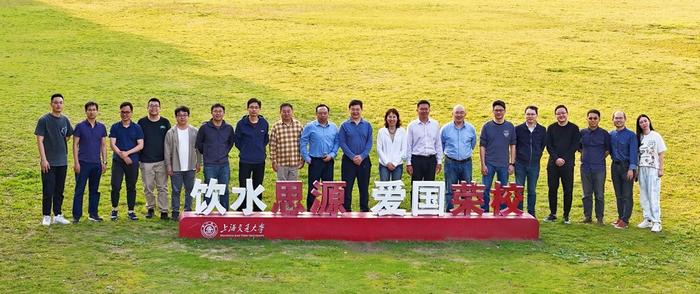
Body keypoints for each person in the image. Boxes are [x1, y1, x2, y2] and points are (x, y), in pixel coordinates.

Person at [35, 93, 74, 226]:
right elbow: (40, 140)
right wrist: (43, 159)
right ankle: (46, 215)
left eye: (61, 102)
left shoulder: (65, 120)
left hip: (62, 161)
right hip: (49, 162)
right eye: (56, 102)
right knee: (48, 189)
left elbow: (68, 135)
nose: (58, 105)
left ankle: (57, 214)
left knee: (59, 189)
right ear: (51, 104)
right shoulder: (44, 120)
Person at [71, 101, 107, 223]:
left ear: (97, 111)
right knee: (79, 190)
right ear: (86, 111)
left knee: (94, 190)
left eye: (94, 109)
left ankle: (93, 214)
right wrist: (76, 162)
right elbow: (75, 145)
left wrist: (104, 162)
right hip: (82, 163)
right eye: (89, 110)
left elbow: (103, 145)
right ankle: (76, 216)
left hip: (96, 164)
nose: (92, 112)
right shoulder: (80, 127)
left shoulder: (101, 127)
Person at [164, 106, 202, 221]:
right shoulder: (171, 132)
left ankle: (188, 210)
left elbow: (198, 149)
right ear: (176, 117)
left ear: (188, 116)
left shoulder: (194, 131)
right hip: (176, 166)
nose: (182, 117)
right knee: (176, 190)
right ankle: (175, 212)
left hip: (190, 166)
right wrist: (168, 166)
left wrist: (199, 163)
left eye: (184, 115)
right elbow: (167, 151)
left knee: (189, 190)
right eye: (180, 115)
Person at [196, 103, 235, 211]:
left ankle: (224, 212)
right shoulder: (204, 127)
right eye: (215, 111)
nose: (218, 113)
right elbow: (199, 144)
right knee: (209, 188)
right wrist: (208, 153)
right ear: (211, 112)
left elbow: (231, 142)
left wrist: (223, 152)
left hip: (224, 164)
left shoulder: (228, 128)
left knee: (224, 189)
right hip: (210, 164)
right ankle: (207, 211)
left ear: (224, 113)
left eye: (220, 111)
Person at [545, 105, 580, 224]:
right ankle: (553, 213)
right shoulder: (551, 128)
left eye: (563, 113)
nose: (561, 115)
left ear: (567, 113)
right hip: (553, 164)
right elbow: (548, 145)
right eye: (558, 113)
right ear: (555, 115)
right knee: (552, 189)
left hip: (568, 163)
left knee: (568, 190)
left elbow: (574, 146)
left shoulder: (574, 128)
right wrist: (556, 158)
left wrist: (564, 159)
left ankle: (566, 215)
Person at [300, 104, 339, 210]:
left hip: (328, 160)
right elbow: (303, 142)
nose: (322, 115)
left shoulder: (334, 127)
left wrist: (332, 155)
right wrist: (307, 158)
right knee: (313, 187)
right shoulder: (310, 126)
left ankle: (328, 209)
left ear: (328, 114)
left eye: (325, 113)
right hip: (314, 161)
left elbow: (337, 142)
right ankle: (311, 210)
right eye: (320, 113)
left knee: (328, 187)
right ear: (316, 114)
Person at [109, 102, 144, 221]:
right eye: (122, 112)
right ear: (120, 112)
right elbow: (112, 144)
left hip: (132, 162)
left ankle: (131, 211)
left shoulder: (137, 128)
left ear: (131, 113)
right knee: (115, 185)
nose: (125, 114)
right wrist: (123, 156)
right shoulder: (115, 127)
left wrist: (127, 153)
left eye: (127, 112)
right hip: (118, 161)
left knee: (131, 186)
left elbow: (140, 145)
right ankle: (114, 209)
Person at [479, 100, 516, 212]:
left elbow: (513, 145)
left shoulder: (510, 126)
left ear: (504, 111)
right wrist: (483, 164)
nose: (498, 112)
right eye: (496, 110)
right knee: (485, 189)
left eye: (500, 110)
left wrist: (512, 163)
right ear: (493, 111)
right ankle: (484, 212)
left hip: (504, 164)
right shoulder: (487, 126)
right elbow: (482, 146)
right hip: (489, 163)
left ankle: (502, 212)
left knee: (503, 190)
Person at [137, 98, 171, 220]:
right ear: (147, 108)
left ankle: (164, 210)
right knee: (148, 186)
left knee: (162, 187)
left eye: (156, 106)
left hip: (161, 161)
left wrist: (169, 161)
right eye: (151, 106)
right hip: (146, 160)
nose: (153, 108)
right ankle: (150, 208)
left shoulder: (165, 122)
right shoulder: (141, 122)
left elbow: (169, 142)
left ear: (160, 108)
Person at [235, 98, 269, 211]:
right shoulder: (241, 124)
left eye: (256, 107)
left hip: (259, 160)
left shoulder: (264, 123)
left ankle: (257, 207)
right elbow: (237, 141)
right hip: (245, 160)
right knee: (243, 184)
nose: (254, 110)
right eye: (251, 107)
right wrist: (245, 150)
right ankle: (242, 207)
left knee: (258, 185)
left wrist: (259, 149)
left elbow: (265, 140)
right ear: (247, 109)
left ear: (259, 109)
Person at [339, 99, 373, 212]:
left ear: (361, 110)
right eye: (353, 109)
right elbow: (342, 143)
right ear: (349, 110)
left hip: (364, 161)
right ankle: (346, 210)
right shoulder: (344, 125)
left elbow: (369, 143)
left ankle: (364, 209)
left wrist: (362, 156)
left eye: (357, 109)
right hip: (349, 161)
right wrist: (353, 157)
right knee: (347, 187)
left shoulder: (367, 125)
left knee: (364, 187)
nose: (355, 112)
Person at [440, 105, 477, 211]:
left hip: (466, 163)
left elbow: (472, 144)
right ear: (452, 114)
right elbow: (441, 144)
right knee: (449, 190)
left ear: (465, 114)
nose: (459, 115)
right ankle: (448, 212)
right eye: (457, 112)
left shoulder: (471, 128)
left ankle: (465, 212)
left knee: (466, 190)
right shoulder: (445, 129)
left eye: (461, 112)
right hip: (450, 162)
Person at [579, 109, 611, 224]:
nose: (592, 120)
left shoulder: (604, 134)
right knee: (586, 194)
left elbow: (608, 150)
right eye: (590, 118)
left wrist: (598, 158)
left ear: (599, 119)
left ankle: (600, 218)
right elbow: (579, 148)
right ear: (587, 119)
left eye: (595, 118)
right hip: (585, 167)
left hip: (599, 168)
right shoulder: (582, 132)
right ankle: (587, 216)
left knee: (599, 194)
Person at [636, 114, 666, 233]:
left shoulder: (656, 136)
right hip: (642, 168)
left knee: (653, 194)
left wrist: (661, 169)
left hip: (653, 168)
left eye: (645, 121)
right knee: (644, 194)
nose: (644, 123)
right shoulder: (639, 137)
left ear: (649, 122)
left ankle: (656, 221)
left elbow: (661, 153)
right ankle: (647, 218)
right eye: (641, 122)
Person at [514, 105, 546, 217]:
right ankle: (519, 212)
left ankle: (531, 213)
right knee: (519, 189)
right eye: (528, 114)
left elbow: (542, 145)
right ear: (525, 115)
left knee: (532, 190)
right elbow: (515, 145)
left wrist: (537, 156)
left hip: (534, 165)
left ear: (536, 115)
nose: (530, 116)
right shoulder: (518, 129)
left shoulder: (542, 130)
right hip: (520, 164)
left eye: (532, 114)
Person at [609, 111, 638, 229]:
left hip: (627, 167)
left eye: (620, 118)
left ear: (625, 119)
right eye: (616, 118)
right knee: (618, 194)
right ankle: (620, 217)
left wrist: (632, 168)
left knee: (627, 194)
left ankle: (625, 220)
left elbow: (633, 153)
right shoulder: (611, 134)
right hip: (615, 166)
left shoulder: (631, 135)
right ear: (613, 120)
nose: (618, 120)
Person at [406, 100, 442, 183]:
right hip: (416, 159)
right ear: (417, 110)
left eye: (426, 109)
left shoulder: (435, 124)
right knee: (415, 187)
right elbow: (408, 145)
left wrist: (439, 161)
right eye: (421, 109)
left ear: (429, 110)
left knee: (430, 187)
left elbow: (438, 144)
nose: (424, 111)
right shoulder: (412, 126)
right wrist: (408, 163)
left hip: (431, 159)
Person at [269, 103, 304, 181]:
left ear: (292, 112)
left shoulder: (298, 125)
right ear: (280, 112)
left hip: (295, 162)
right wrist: (274, 161)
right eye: (284, 111)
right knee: (282, 187)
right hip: (281, 163)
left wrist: (302, 159)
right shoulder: (276, 126)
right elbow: (272, 146)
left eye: (288, 111)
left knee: (293, 187)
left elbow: (302, 144)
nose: (286, 113)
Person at [376, 108, 406, 181]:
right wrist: (387, 162)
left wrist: (395, 163)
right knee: (384, 187)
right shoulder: (381, 131)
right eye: (389, 117)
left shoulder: (402, 131)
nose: (392, 119)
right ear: (386, 118)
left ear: (397, 118)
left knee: (396, 188)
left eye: (394, 117)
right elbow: (379, 149)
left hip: (398, 164)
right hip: (384, 164)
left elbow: (404, 149)